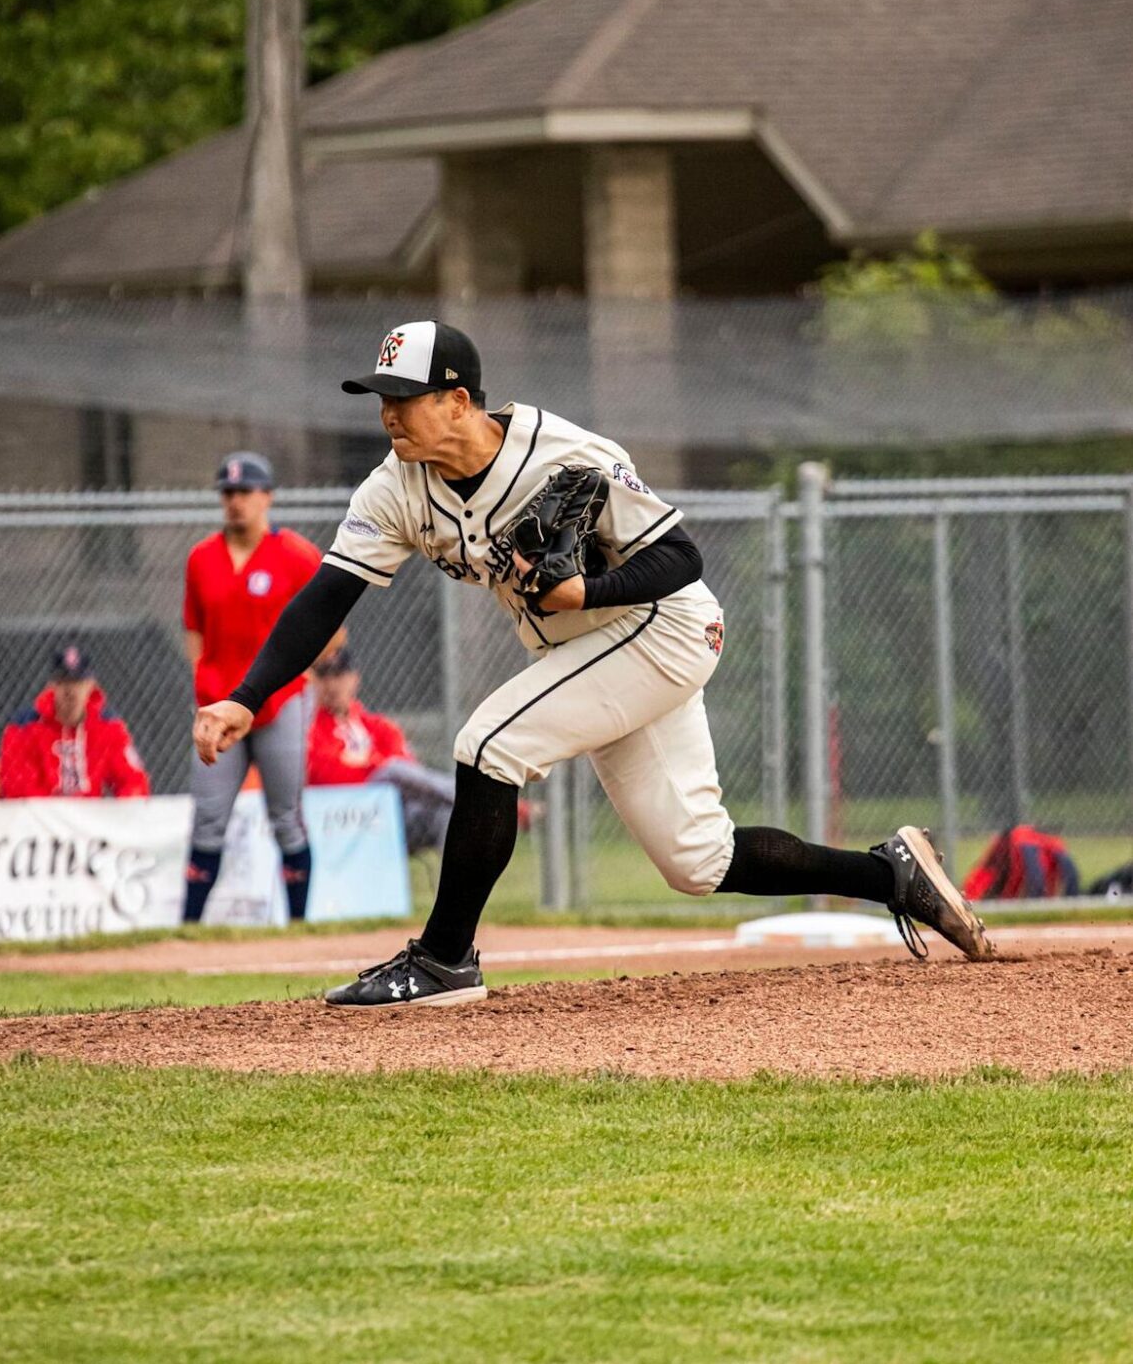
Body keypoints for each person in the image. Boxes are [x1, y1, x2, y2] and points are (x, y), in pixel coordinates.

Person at [193, 320, 991, 1007]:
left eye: (403, 396)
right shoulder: (395, 489)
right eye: (381, 396)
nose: (387, 413)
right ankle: (893, 875)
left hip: (664, 628)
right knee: (696, 859)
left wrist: (588, 587)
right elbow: (326, 595)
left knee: (487, 744)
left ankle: (444, 958)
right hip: (591, 654)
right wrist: (248, 695)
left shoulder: (564, 453)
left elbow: (682, 555)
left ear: (459, 401)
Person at [182, 451, 322, 923]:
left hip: (280, 702)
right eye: (228, 492)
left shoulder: (297, 555)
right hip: (219, 706)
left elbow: (330, 631)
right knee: (208, 819)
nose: (235, 501)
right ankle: (188, 930)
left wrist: (299, 680)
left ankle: (299, 927)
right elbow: (194, 632)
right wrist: (205, 687)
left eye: (244, 492)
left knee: (285, 818)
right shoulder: (202, 557)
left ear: (268, 497)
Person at [307, 647, 455, 855]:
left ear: (354, 678)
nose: (332, 684)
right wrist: (377, 765)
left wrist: (363, 762)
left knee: (447, 813)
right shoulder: (309, 727)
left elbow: (408, 767)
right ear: (314, 682)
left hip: (392, 815)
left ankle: (454, 886)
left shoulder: (378, 726)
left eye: (339, 674)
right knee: (391, 771)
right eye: (323, 676)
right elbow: (325, 774)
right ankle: (470, 796)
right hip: (340, 819)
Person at [0, 643, 150, 799]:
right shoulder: (23, 726)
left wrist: (122, 807)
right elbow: (16, 788)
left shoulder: (109, 726)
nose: (70, 691)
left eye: (78, 683)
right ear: (52, 685)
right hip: (39, 820)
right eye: (63, 682)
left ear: (91, 685)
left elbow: (134, 781)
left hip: (88, 820)